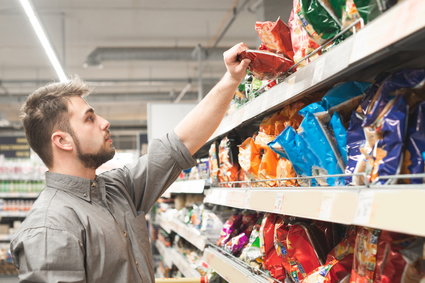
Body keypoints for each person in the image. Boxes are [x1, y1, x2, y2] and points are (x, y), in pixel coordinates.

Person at [10, 42, 250, 283]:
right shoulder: (49, 229)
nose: (104, 122)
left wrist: (231, 79)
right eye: (90, 118)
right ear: (62, 141)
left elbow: (180, 142)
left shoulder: (118, 189)